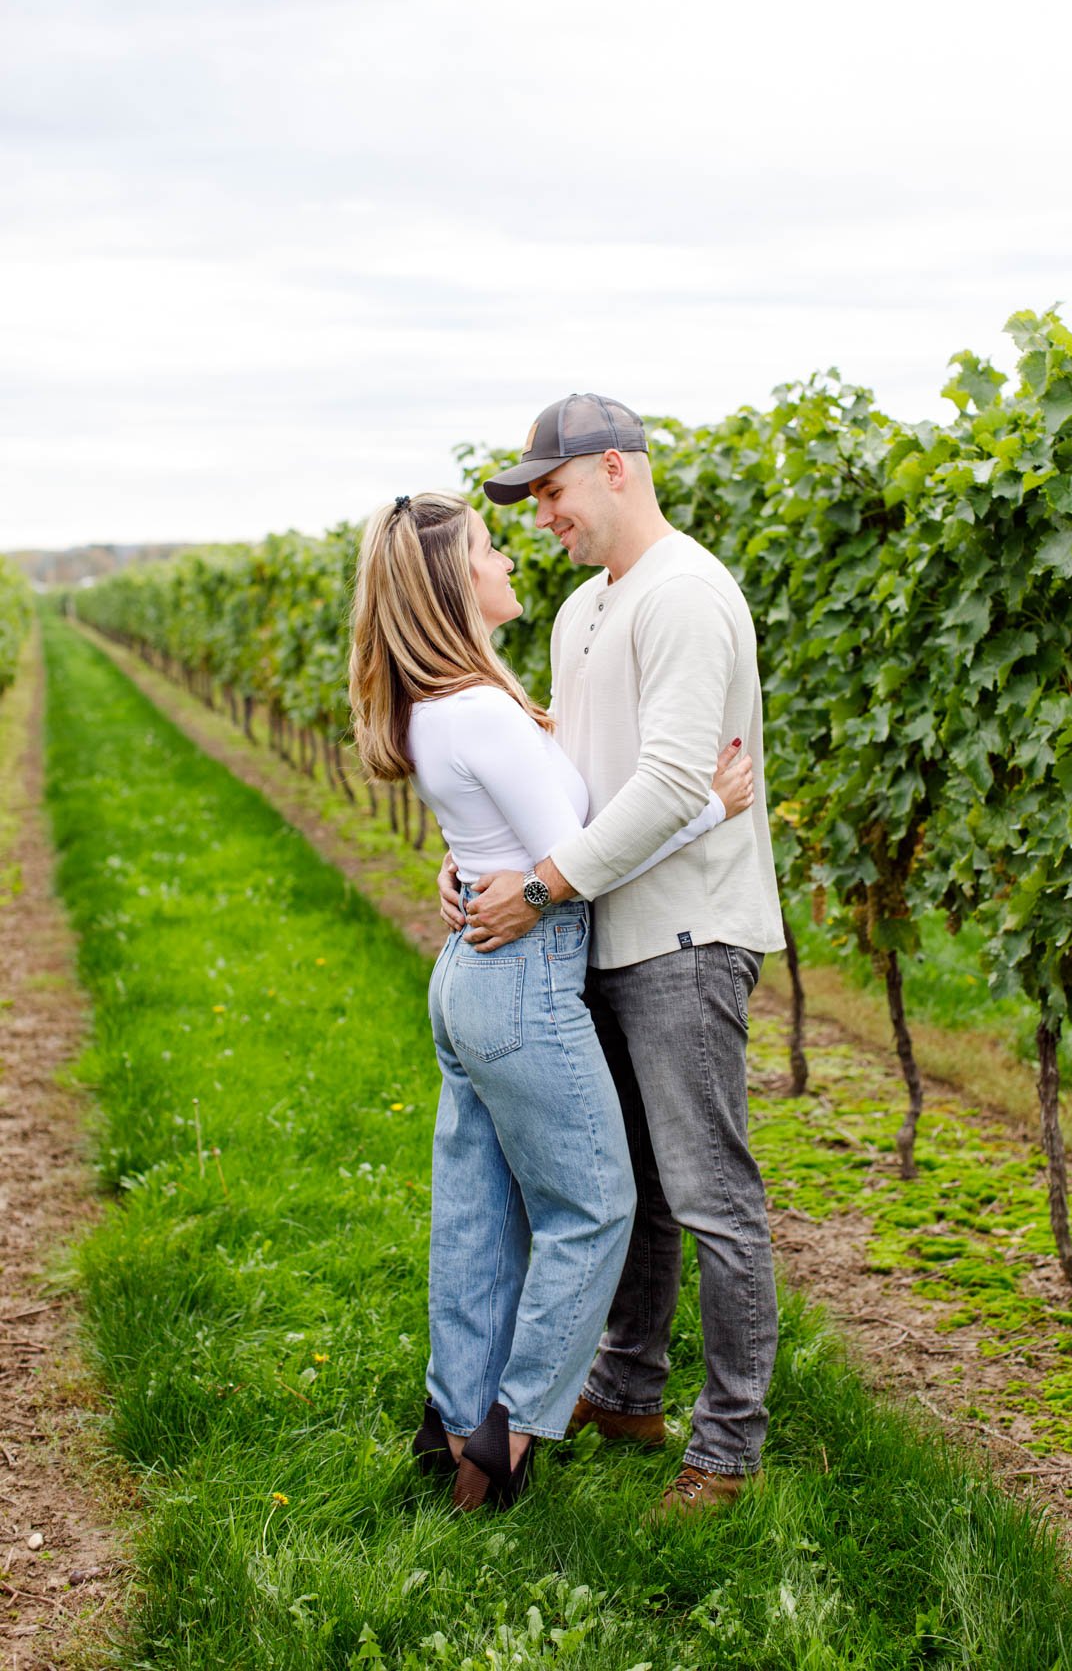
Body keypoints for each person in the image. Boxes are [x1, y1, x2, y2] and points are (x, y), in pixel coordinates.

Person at [348, 490, 753, 1512]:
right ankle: (514, 1433)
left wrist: (471, 866)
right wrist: (708, 804)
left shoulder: (441, 703)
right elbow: (569, 862)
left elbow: (506, 832)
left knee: (480, 1218)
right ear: (455, 583)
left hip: (472, 981)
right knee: (596, 1206)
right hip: (521, 982)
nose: (509, 556)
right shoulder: (478, 707)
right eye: (488, 548)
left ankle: (451, 1425)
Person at [440, 393, 785, 1517]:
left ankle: (728, 1447)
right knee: (630, 1189)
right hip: (605, 927)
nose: (542, 515)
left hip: (684, 931)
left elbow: (677, 782)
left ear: (621, 469)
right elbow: (583, 783)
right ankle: (628, 1388)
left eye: (553, 490)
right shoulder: (587, 606)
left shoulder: (685, 594)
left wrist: (538, 889)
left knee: (709, 1194)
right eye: (529, 499)